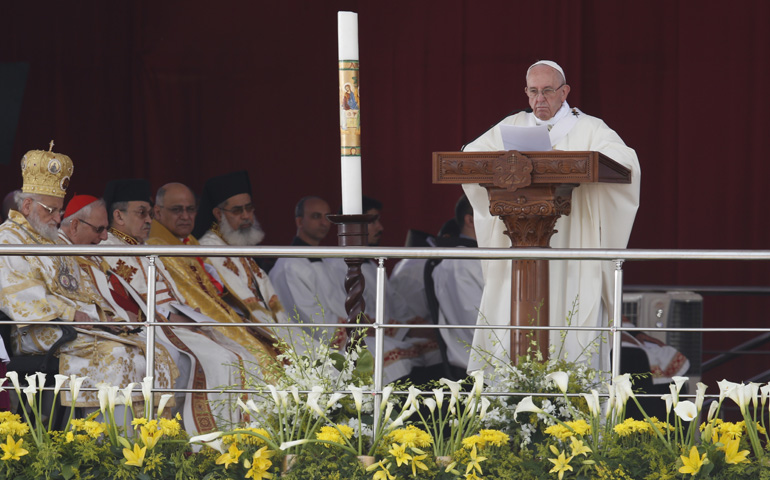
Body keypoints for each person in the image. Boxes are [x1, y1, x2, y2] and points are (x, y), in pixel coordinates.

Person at [462, 60, 641, 372]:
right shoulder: (513, 125)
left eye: (547, 91)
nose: (539, 99)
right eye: (533, 92)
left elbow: (626, 162)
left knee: (571, 318)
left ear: (564, 92)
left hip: (574, 245)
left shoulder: (589, 129)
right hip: (519, 241)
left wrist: (572, 163)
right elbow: (468, 159)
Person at [0, 148, 178, 413]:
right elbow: (23, 301)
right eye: (51, 210)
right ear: (27, 206)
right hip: (36, 330)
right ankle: (103, 446)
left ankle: (145, 443)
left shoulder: (50, 238)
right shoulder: (8, 240)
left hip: (73, 324)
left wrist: (105, 319)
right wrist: (73, 314)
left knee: (151, 352)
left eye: (59, 211)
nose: (58, 218)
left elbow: (81, 290)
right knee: (118, 356)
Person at [101, 178, 260, 432]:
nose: (149, 220)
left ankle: (244, 437)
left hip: (175, 323)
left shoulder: (144, 247)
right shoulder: (107, 249)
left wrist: (188, 312)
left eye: (149, 213)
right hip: (152, 327)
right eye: (141, 213)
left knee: (243, 357)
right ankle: (210, 443)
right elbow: (126, 299)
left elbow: (170, 293)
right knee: (221, 360)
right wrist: (169, 316)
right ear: (118, 216)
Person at [270, 196, 439, 384]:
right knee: (391, 353)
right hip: (319, 343)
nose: (323, 223)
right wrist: (356, 331)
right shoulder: (290, 265)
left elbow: (344, 305)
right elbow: (309, 317)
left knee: (410, 351)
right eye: (316, 216)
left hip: (348, 332)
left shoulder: (322, 262)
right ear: (299, 221)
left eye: (326, 217)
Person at [147, 182, 280, 378]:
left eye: (191, 209)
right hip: (185, 324)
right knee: (249, 357)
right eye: (177, 210)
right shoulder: (157, 246)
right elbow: (194, 297)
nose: (185, 216)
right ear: (157, 212)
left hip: (212, 316)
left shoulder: (189, 241)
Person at [195, 171, 306, 351]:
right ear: (218, 213)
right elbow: (242, 304)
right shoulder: (210, 249)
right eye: (238, 211)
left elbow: (271, 300)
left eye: (249, 208)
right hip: (243, 334)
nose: (246, 216)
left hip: (268, 328)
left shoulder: (237, 243)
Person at [430, 195, 484, 376]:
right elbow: (473, 323)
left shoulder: (473, 257)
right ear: (470, 220)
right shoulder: (459, 262)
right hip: (479, 364)